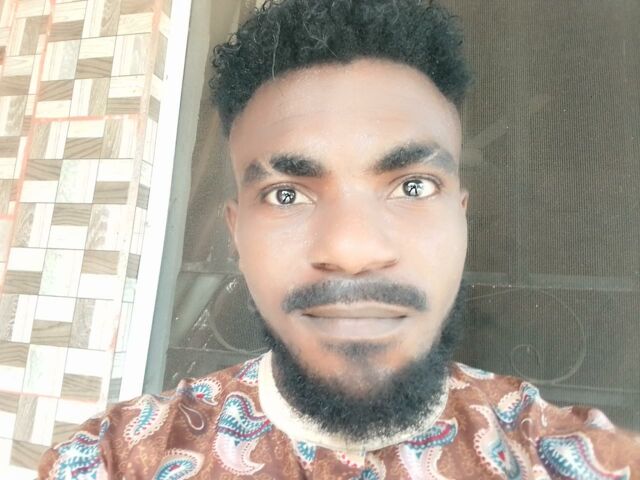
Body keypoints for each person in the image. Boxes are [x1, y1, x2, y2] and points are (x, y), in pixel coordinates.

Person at [39, 0, 640, 478]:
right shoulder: (118, 458)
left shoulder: (566, 454)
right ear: (235, 235)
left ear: (462, 217)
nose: (352, 251)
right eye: (286, 195)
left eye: (412, 186)